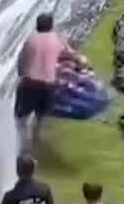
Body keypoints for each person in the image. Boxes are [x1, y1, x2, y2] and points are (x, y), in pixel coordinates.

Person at [15, 13, 79, 148]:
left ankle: (23, 146)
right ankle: (36, 139)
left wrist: (21, 74)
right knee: (40, 116)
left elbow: (21, 62)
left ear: (37, 25)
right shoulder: (57, 40)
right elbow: (72, 55)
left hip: (29, 84)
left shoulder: (30, 39)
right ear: (51, 26)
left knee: (21, 119)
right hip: (47, 87)